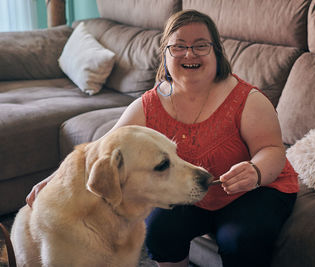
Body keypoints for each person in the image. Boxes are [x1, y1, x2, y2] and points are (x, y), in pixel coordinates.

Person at [27, 9, 299, 267]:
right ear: (165, 55)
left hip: (256, 190)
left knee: (239, 239)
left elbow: (272, 150)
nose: (189, 53)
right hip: (193, 187)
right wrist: (55, 179)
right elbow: (102, 148)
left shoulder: (248, 99)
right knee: (158, 229)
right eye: (178, 46)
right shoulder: (149, 104)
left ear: (217, 52)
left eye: (201, 45)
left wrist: (255, 170)